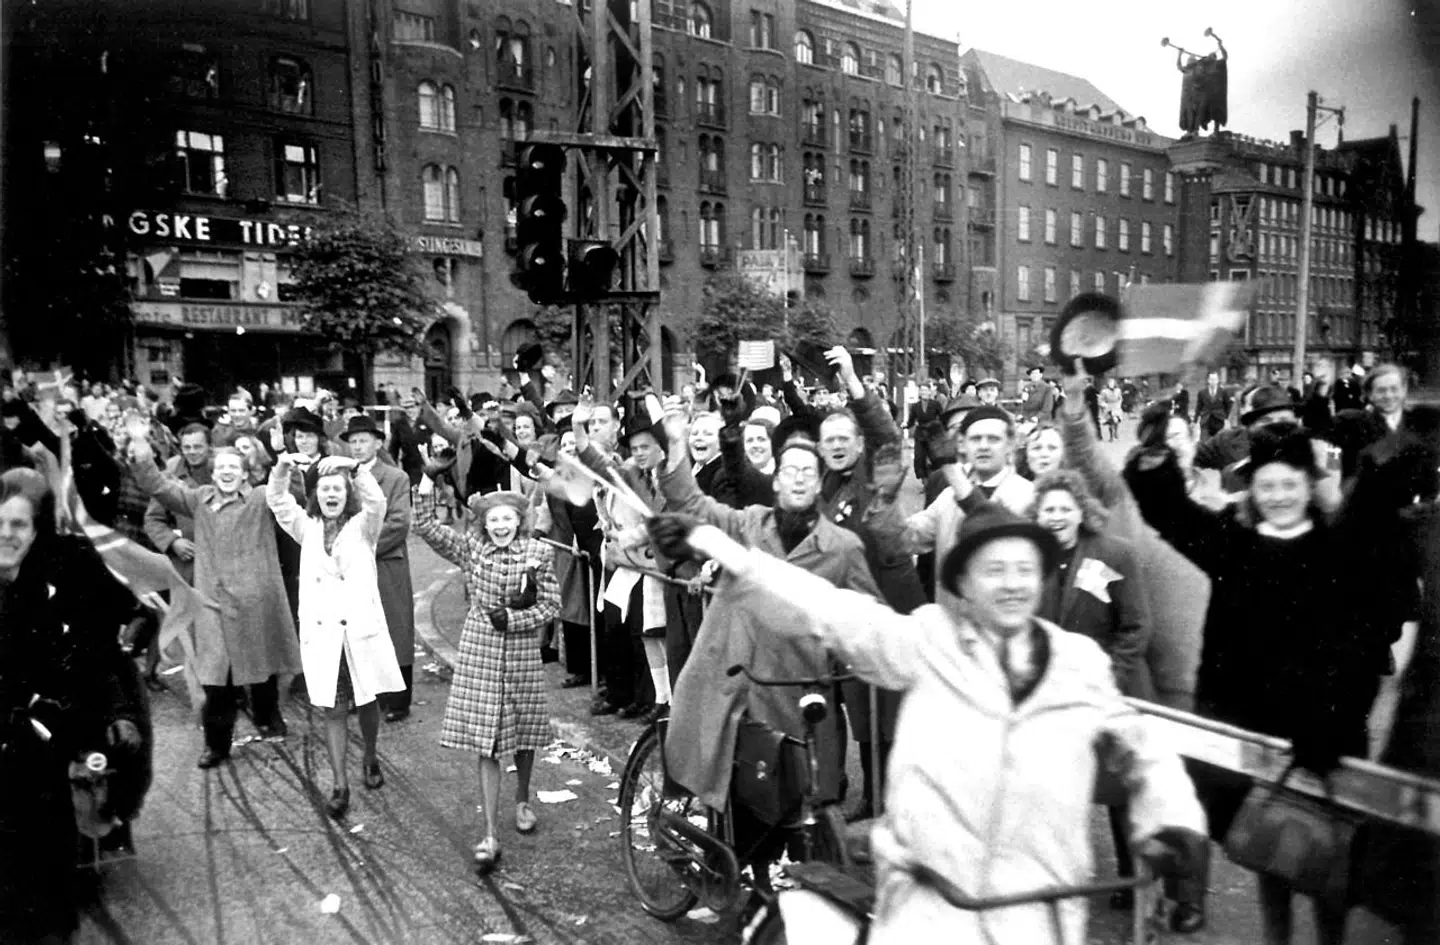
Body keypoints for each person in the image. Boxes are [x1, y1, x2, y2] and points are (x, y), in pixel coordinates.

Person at [647, 504, 1206, 945]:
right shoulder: (930, 642)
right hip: (930, 912)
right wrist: (715, 546)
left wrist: (1176, 826)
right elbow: (829, 610)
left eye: (1024, 570)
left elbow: (1143, 747)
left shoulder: (1078, 664)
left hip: (1040, 918)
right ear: (964, 584)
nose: (1011, 584)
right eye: (994, 570)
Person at [1126, 423, 1382, 945]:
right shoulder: (1233, 543)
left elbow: (1363, 647)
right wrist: (1154, 462)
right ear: (1253, 490)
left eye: (1289, 484)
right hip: (1255, 729)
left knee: (1328, 865)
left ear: (1309, 486)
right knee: (1274, 855)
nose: (1278, 497)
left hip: (1323, 734)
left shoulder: (1341, 549)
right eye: (1267, 486)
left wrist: (1333, 721)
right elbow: (1170, 514)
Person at [654, 418, 883, 868]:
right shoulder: (749, 525)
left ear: (819, 484)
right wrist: (678, 443)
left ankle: (775, 890)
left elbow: (867, 614)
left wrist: (854, 653)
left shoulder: (842, 546)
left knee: (795, 791)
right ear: (775, 480)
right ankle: (738, 880)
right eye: (790, 470)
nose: (798, 477)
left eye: (808, 472)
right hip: (730, 678)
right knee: (736, 791)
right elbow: (693, 503)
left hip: (796, 691)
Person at [412, 482, 559, 873]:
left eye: (507, 518)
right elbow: (425, 526)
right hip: (480, 648)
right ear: (484, 524)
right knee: (488, 739)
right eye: (493, 519)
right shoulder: (471, 548)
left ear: (519, 521)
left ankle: (523, 800)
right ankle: (491, 831)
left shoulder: (538, 552)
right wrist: (427, 485)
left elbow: (550, 605)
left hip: (523, 650)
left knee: (524, 731)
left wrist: (514, 618)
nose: (500, 525)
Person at [129, 435, 302, 765]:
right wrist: (141, 451)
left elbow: (288, 494)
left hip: (255, 600)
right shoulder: (199, 500)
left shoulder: (261, 498)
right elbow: (158, 486)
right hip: (213, 603)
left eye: (233, 467)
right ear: (212, 472)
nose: (226, 472)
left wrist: (282, 457)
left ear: (245, 473)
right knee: (217, 675)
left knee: (261, 663)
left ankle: (268, 716)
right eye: (220, 467)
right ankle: (216, 744)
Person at [266, 452, 404, 819]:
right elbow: (278, 501)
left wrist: (355, 469)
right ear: (316, 495)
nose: (330, 494)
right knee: (333, 707)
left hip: (359, 631)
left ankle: (371, 757)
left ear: (347, 494)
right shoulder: (305, 527)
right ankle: (340, 784)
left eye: (337, 488)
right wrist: (282, 466)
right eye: (324, 488)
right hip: (324, 635)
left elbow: (378, 501)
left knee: (367, 702)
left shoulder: (364, 526)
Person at [340, 415, 418, 723]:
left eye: (364, 440)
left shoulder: (396, 477)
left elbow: (399, 523)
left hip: (385, 562)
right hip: (351, 565)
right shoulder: (342, 477)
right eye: (354, 441)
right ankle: (366, 695)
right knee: (358, 626)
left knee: (395, 627)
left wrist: (361, 548)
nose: (358, 446)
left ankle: (398, 700)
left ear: (378, 443)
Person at [1193, 371, 1232, 440]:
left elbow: (1228, 405)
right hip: (1206, 420)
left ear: (1218, 380)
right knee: (1204, 443)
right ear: (1208, 380)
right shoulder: (1202, 393)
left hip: (1219, 420)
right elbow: (1198, 407)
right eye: (1211, 379)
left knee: (1219, 443)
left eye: (1215, 379)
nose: (1213, 381)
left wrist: (1226, 417)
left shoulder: (1223, 392)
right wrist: (1195, 421)